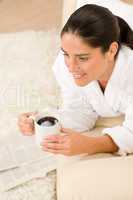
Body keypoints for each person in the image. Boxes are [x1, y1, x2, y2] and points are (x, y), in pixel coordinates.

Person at [18, 4, 133, 156]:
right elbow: (80, 111)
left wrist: (90, 145)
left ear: (111, 51)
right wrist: (43, 121)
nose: (71, 67)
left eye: (83, 58)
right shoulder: (64, 65)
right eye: (66, 54)